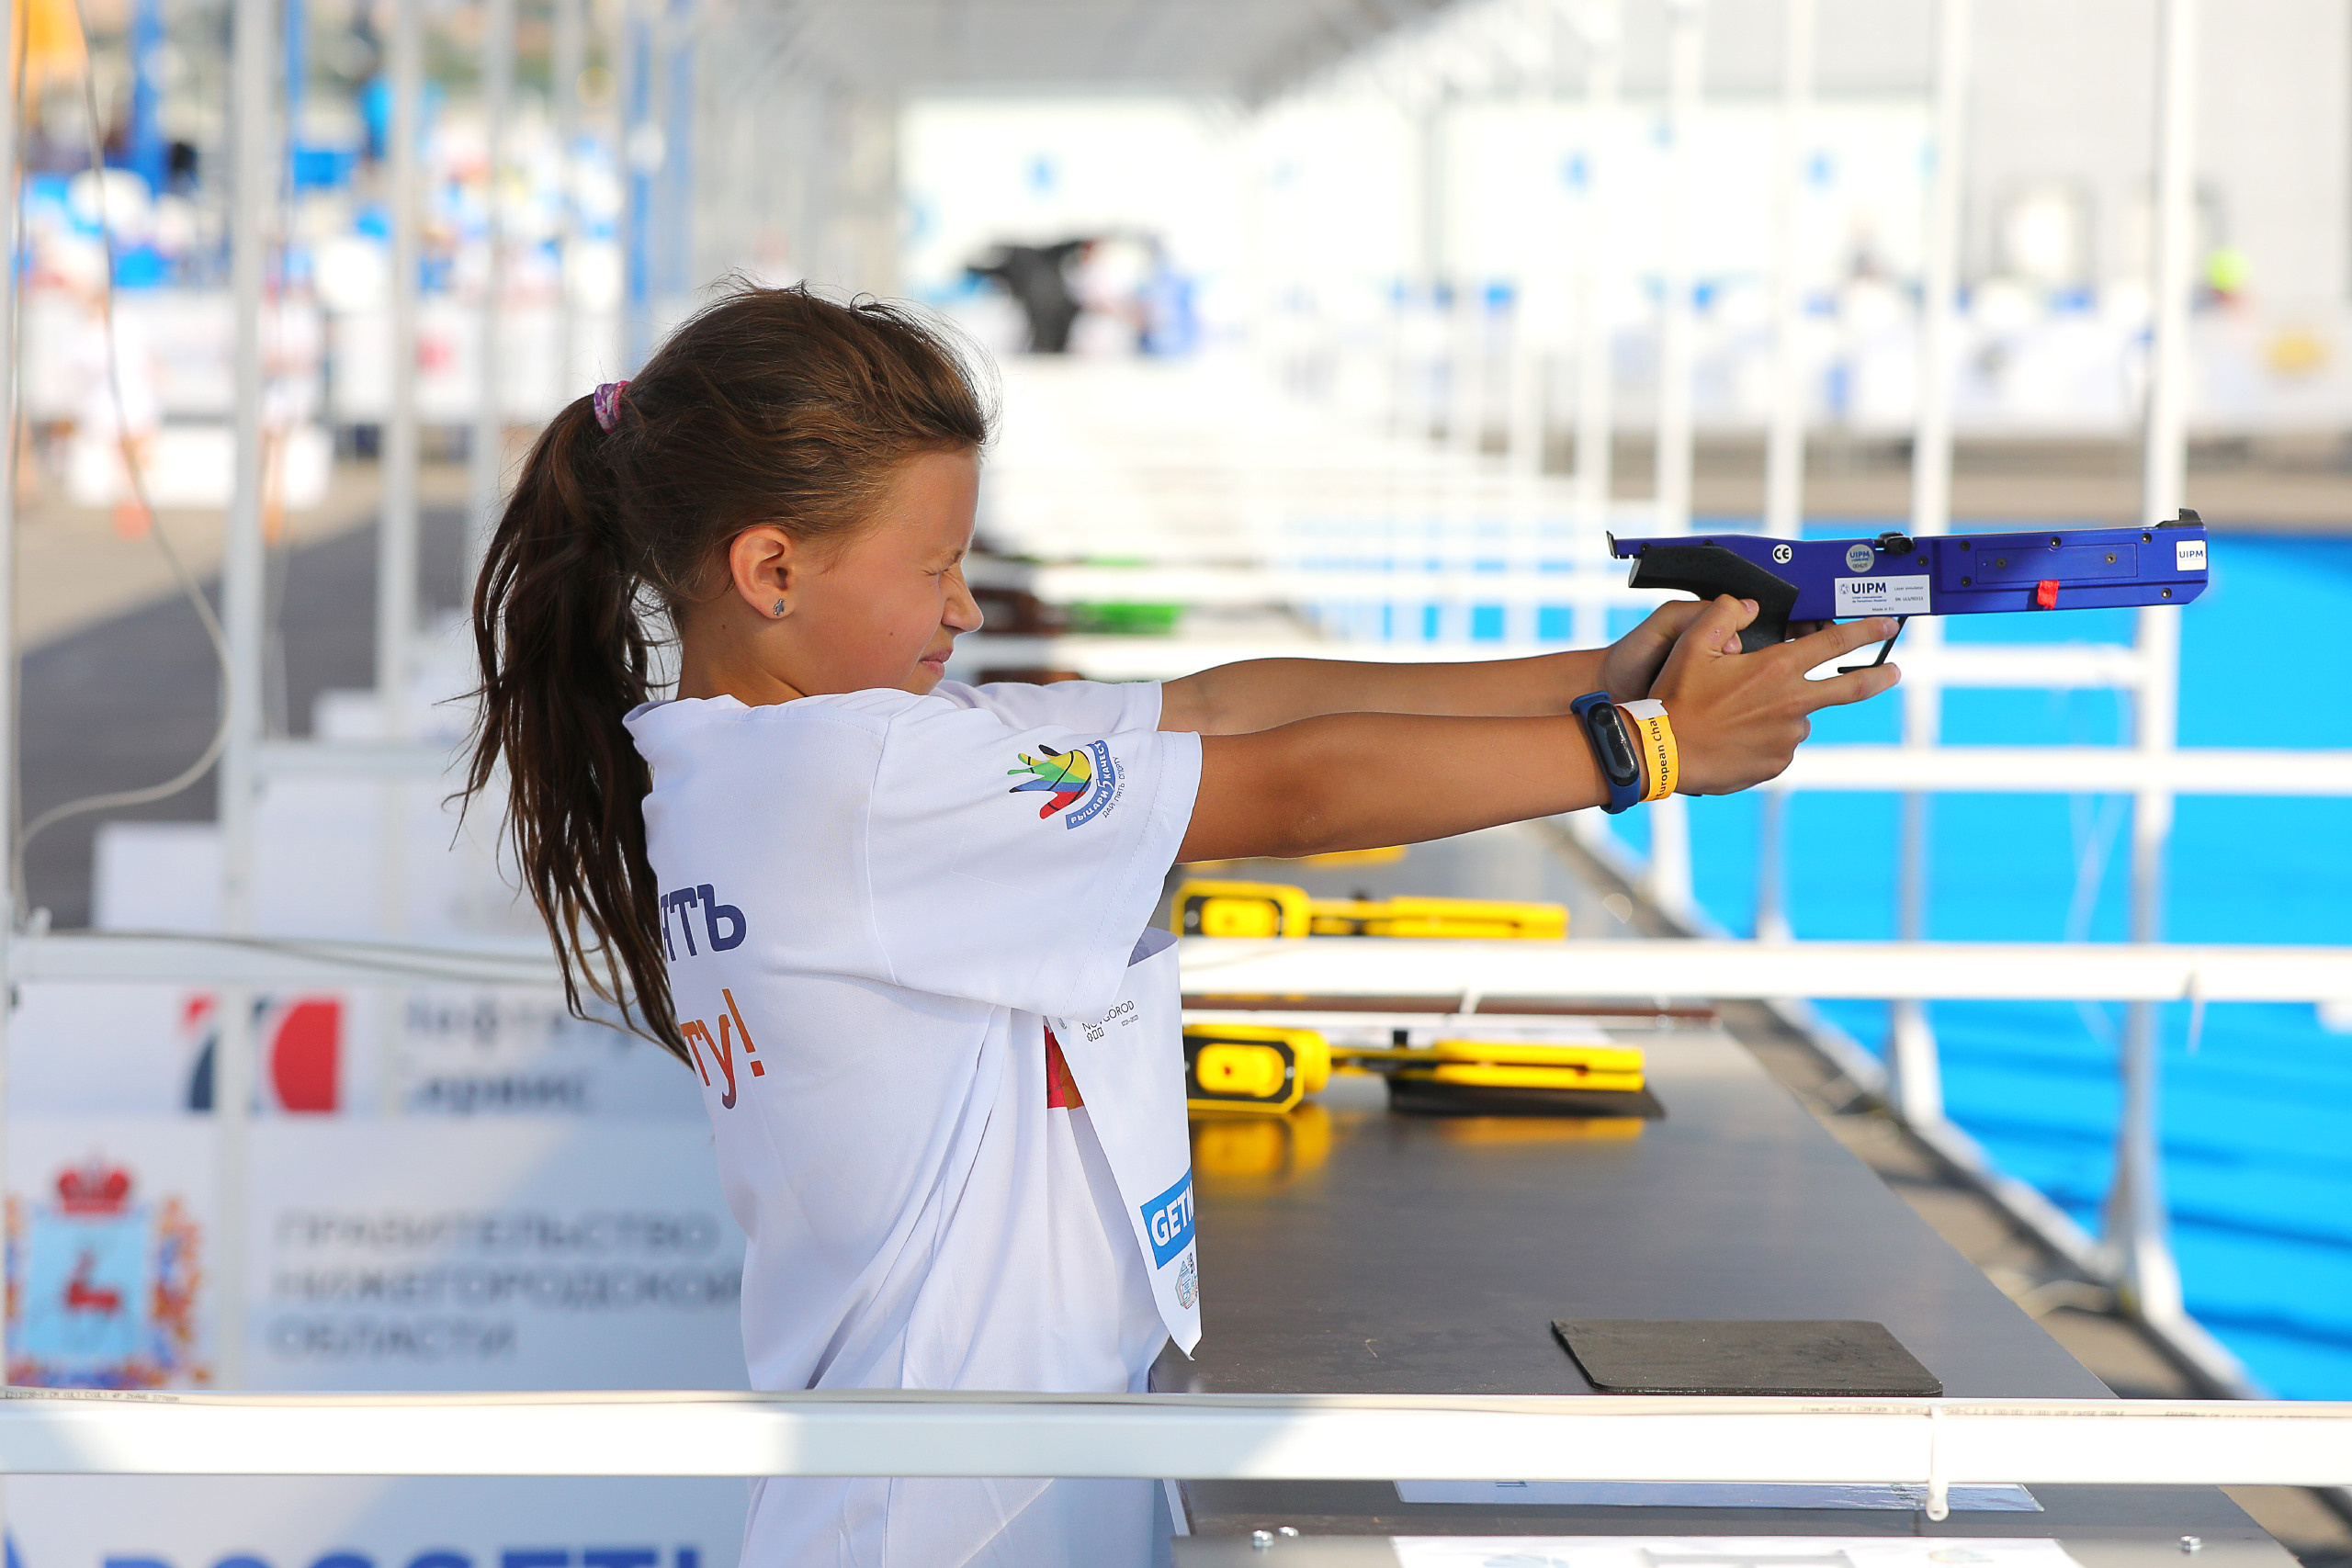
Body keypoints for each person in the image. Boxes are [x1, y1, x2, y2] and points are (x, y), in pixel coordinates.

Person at [464, 283, 1901, 1567]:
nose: (967, 603)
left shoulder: (804, 757)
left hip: (945, 1490)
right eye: (934, 565)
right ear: (772, 571)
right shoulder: (867, 780)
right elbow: (1289, 787)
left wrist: (1599, 679)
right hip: (955, 1519)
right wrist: (1641, 752)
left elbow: (1219, 710)